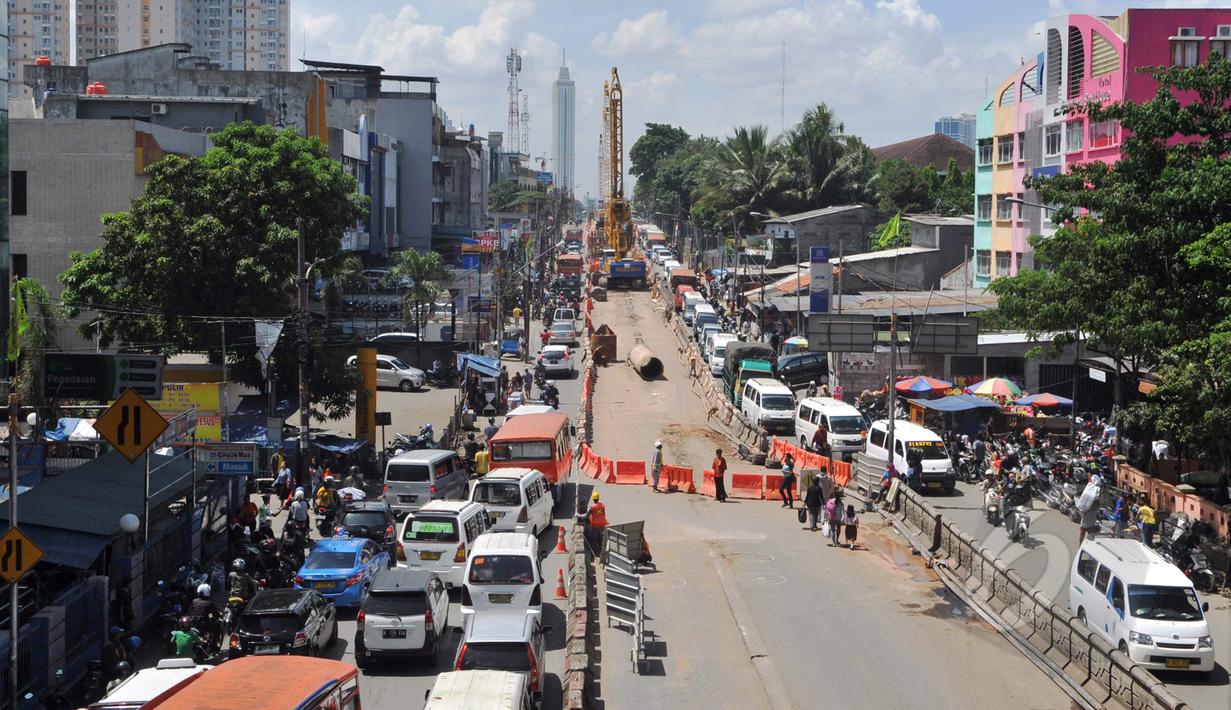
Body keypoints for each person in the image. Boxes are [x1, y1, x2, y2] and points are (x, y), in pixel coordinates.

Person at [1076, 475, 1103, 544]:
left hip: (1091, 522)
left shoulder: (1095, 503)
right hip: (1086, 522)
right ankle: (1080, 545)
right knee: (1082, 535)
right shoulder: (1091, 490)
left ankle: (1085, 546)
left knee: (1089, 536)